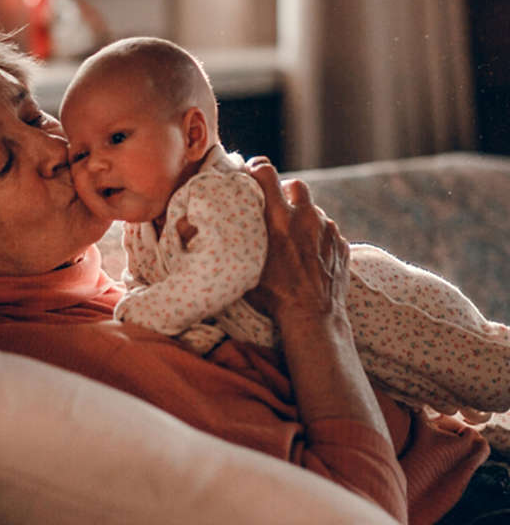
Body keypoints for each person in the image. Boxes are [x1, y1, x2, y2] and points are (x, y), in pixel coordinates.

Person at [0, 0, 490, 525]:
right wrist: (316, 313)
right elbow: (358, 509)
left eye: (33, 117)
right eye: (4, 161)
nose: (55, 150)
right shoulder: (85, 359)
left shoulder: (107, 274)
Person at [60, 36, 510, 444]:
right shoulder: (140, 227)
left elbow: (229, 267)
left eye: (116, 139)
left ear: (193, 135)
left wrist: (142, 314)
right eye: (80, 153)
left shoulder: (216, 189)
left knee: (483, 371)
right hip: (337, 353)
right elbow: (146, 286)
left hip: (374, 306)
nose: (95, 165)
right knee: (424, 401)